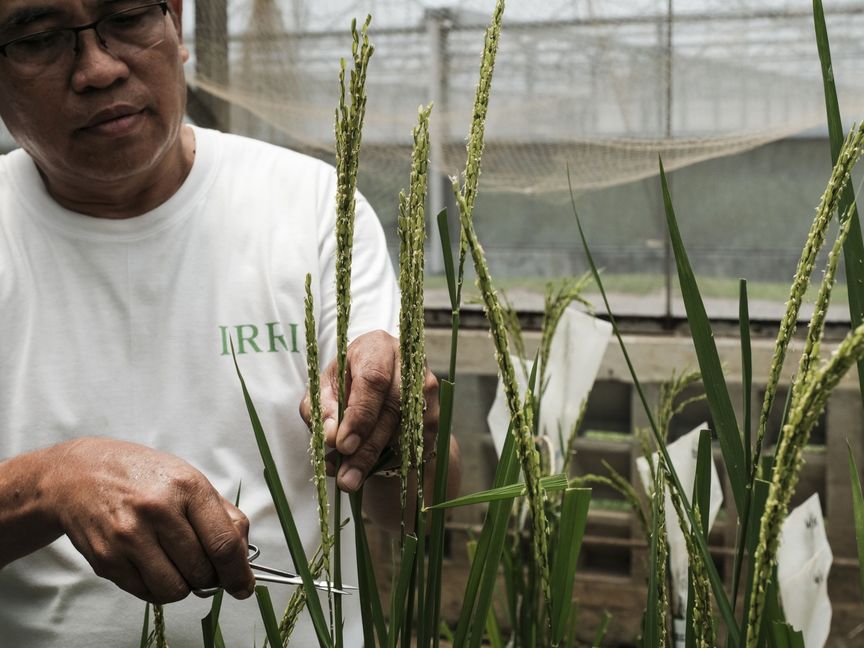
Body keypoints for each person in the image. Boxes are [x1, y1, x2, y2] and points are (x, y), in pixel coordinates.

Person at [0, 0, 460, 645]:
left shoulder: (312, 207)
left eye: (129, 16)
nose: (99, 69)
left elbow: (414, 513)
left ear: (178, 27)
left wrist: (405, 434)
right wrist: (47, 485)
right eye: (40, 38)